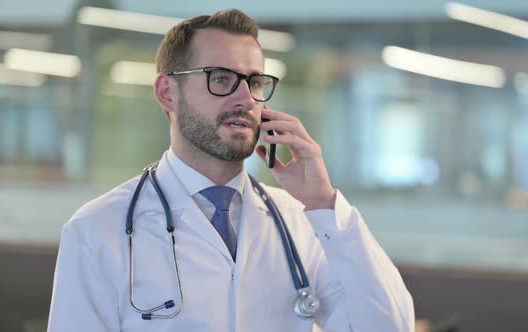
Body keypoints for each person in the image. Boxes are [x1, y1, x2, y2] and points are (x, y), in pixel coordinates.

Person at [47, 9, 414, 332]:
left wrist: (324, 204)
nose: (245, 98)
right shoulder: (97, 230)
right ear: (166, 92)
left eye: (254, 82)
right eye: (221, 78)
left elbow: (390, 327)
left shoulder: (301, 221)